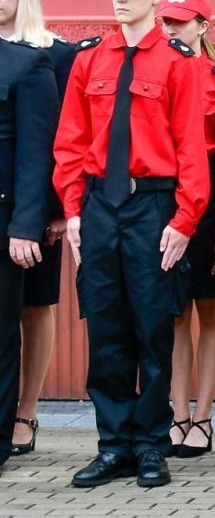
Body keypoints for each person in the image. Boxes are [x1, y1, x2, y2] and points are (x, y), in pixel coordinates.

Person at [54, 0, 208, 489]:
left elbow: (191, 147)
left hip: (153, 206)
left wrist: (186, 219)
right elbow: (70, 141)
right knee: (106, 327)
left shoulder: (179, 62)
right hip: (100, 206)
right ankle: (113, 445)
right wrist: (72, 210)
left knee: (152, 327)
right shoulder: (89, 59)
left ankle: (150, 445)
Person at [0, 0, 77, 458]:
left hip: (33, 210)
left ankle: (25, 412)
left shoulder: (56, 53)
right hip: (17, 206)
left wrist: (53, 211)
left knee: (32, 307)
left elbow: (60, 139)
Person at [157, 0, 215, 460]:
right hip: (163, 191)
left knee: (208, 310)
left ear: (202, 27)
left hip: (208, 192)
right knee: (173, 314)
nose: (171, 30)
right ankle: (176, 414)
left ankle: (203, 416)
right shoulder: (152, 70)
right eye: (166, 21)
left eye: (181, 22)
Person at [0, 33, 60, 474]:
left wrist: (25, 226)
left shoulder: (27, 63)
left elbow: (36, 152)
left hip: (4, 221)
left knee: (3, 336)